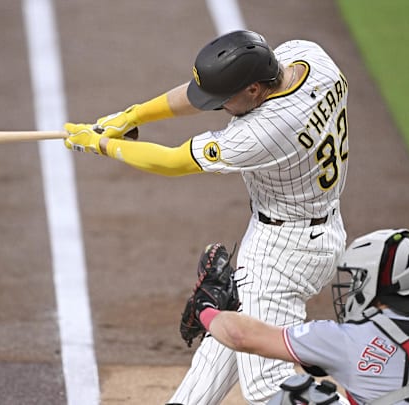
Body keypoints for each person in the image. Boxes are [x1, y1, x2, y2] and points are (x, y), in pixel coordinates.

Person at [63, 29, 349, 403]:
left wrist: (101, 144)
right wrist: (131, 115)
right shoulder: (310, 58)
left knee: (270, 387)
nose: (217, 107)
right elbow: (206, 91)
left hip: (283, 254)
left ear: (253, 91)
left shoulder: (264, 132)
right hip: (320, 230)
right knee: (223, 349)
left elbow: (172, 161)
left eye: (223, 101)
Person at [185, 228, 409, 404]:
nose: (353, 287)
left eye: (358, 278)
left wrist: (205, 308)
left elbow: (241, 335)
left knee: (297, 397)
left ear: (375, 281)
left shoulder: (346, 339)